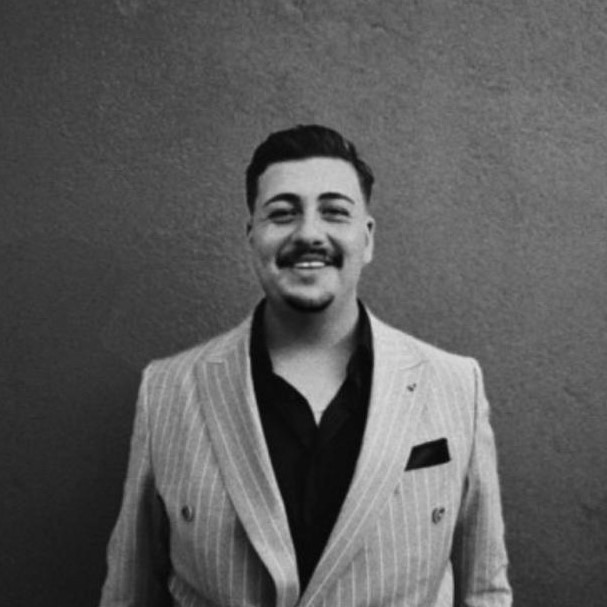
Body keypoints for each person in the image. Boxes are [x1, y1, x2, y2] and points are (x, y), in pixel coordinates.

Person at [99, 124, 512, 607]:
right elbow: (128, 593)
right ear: (252, 236)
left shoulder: (457, 385)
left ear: (367, 238)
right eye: (282, 213)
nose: (309, 233)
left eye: (334, 212)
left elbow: (486, 591)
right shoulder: (166, 392)